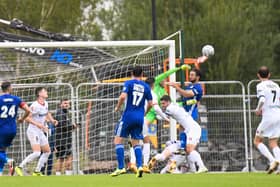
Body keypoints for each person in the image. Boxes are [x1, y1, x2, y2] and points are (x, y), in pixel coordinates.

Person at [129, 65, 189, 173]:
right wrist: (179, 68)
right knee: (141, 140)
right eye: (164, 80)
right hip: (150, 113)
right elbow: (166, 74)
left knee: (140, 139)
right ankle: (140, 163)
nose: (165, 81)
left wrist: (188, 102)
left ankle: (139, 162)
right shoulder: (153, 86)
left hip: (149, 113)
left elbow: (171, 104)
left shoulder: (163, 92)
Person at [110, 66, 153, 178]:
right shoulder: (146, 86)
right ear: (142, 74)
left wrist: (117, 107)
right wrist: (144, 113)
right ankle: (139, 166)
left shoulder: (129, 83)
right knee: (136, 142)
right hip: (139, 118)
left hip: (128, 116)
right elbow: (151, 104)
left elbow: (123, 97)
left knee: (118, 140)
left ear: (131, 73)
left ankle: (120, 168)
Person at [159, 95, 208, 173]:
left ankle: (201, 166)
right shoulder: (175, 105)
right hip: (189, 129)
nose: (162, 106)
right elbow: (183, 103)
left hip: (193, 129)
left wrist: (154, 106)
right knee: (187, 150)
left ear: (168, 102)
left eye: (163, 103)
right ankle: (194, 169)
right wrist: (193, 101)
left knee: (188, 149)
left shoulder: (169, 108)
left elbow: (160, 114)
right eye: (161, 104)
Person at [15, 87, 58, 176]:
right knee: (37, 153)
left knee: (47, 151)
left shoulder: (46, 103)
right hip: (33, 131)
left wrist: (52, 120)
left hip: (40, 131)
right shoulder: (34, 105)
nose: (46, 92)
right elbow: (27, 118)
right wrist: (38, 124)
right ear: (39, 94)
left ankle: (37, 171)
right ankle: (19, 167)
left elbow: (47, 113)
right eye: (44, 91)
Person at [166, 68, 203, 151]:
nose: (190, 77)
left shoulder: (198, 88)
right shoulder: (190, 85)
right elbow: (185, 88)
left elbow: (187, 94)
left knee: (187, 130)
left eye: (192, 75)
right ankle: (182, 147)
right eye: (190, 75)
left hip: (191, 113)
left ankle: (185, 148)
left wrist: (177, 87)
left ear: (198, 77)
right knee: (181, 128)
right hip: (185, 111)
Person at [0, 81, 31, 176]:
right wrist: (22, 119)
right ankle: (0, 172)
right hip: (12, 129)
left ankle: (9, 161)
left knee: (1, 152)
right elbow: (28, 110)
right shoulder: (16, 99)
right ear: (9, 88)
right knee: (2, 150)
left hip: (1, 128)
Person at [254, 66, 280, 174]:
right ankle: (278, 165)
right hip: (278, 114)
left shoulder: (260, 85)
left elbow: (262, 99)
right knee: (273, 143)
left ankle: (272, 160)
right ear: (269, 75)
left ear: (258, 75)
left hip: (268, 116)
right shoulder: (276, 85)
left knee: (257, 141)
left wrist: (258, 109)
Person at [55, 98, 76, 176]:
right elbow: (64, 125)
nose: (66, 104)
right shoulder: (60, 113)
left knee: (62, 157)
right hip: (62, 139)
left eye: (68, 103)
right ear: (60, 104)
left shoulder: (64, 113)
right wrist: (73, 126)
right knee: (66, 157)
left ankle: (60, 174)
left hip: (64, 139)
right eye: (64, 103)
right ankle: (67, 175)